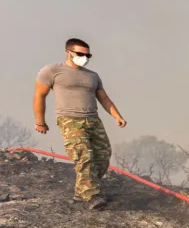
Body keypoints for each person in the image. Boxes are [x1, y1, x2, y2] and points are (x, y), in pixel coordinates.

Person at [33, 38, 127, 209]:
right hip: (69, 119)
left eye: (87, 54)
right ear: (68, 52)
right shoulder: (52, 71)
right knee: (83, 155)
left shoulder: (92, 76)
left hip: (93, 119)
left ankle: (80, 192)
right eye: (80, 54)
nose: (84, 57)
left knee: (102, 155)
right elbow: (40, 95)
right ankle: (92, 195)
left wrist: (116, 116)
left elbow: (104, 98)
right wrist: (40, 122)